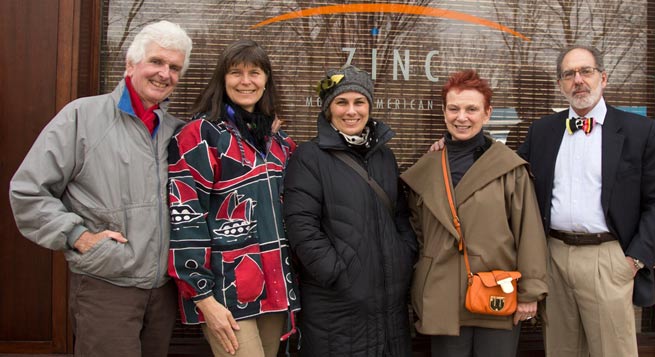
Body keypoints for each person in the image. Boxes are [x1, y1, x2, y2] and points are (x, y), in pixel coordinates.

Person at [8, 21, 192, 357]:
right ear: (130, 63)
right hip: (106, 285)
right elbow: (28, 192)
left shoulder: (176, 132)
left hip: (163, 291)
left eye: (174, 67)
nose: (164, 74)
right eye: (156, 62)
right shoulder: (82, 117)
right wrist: (78, 236)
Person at [517, 45, 655, 357]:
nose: (578, 80)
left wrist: (633, 261)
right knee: (561, 350)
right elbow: (509, 178)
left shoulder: (640, 131)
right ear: (560, 84)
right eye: (569, 74)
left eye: (585, 71)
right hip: (554, 257)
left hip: (609, 259)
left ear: (604, 77)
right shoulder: (542, 131)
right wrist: (451, 147)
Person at [167, 39, 300, 357]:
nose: (246, 81)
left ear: (266, 80)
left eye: (255, 72)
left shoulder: (279, 142)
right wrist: (202, 295)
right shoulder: (200, 135)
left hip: (274, 285)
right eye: (236, 72)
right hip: (225, 290)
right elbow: (185, 216)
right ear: (222, 79)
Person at [401, 69, 548, 357]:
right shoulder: (425, 168)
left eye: (471, 109)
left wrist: (530, 294)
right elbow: (417, 232)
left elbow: (528, 233)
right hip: (442, 297)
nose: (462, 117)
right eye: (454, 108)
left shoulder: (510, 168)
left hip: (496, 292)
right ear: (444, 113)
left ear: (487, 113)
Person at [282, 65, 418, 356]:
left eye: (359, 102)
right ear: (329, 109)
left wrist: (403, 256)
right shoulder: (309, 157)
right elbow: (301, 226)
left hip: (390, 306)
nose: (351, 111)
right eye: (341, 102)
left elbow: (400, 215)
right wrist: (338, 274)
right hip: (337, 307)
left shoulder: (384, 156)